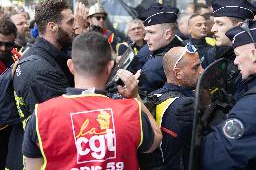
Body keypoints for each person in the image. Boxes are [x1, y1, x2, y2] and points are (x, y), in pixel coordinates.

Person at [22, 31, 162, 170]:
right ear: (110, 67)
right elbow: (156, 139)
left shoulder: (41, 115)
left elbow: (32, 166)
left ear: (70, 66)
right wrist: (135, 97)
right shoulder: (130, 111)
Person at [201, 19, 256, 170]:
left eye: (237, 55)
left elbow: (215, 158)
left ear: (253, 54)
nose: (236, 61)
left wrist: (209, 124)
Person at [9, 0, 75, 170]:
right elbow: (59, 127)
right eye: (70, 22)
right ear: (53, 26)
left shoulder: (52, 56)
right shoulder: (39, 70)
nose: (75, 26)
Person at [140, 45, 203, 170]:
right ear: (178, 73)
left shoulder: (153, 96)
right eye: (196, 67)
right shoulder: (186, 105)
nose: (202, 71)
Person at [202, 0, 256, 102]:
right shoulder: (212, 54)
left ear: (239, 27)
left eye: (220, 24)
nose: (213, 29)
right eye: (214, 23)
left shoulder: (254, 59)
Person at [138, 2, 184, 95]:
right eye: (146, 32)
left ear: (168, 34)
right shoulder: (184, 47)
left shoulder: (152, 68)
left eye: (151, 32)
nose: (146, 38)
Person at [0, 18, 20, 170]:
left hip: (12, 124)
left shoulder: (15, 55)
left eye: (8, 44)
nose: (3, 48)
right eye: (0, 43)